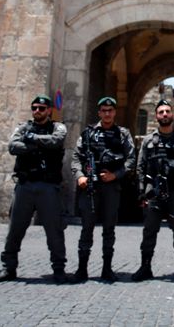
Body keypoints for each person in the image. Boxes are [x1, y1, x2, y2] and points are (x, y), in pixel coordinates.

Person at [0, 95, 68, 284]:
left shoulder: (58, 127)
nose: (37, 111)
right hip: (25, 186)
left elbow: (56, 141)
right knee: (15, 229)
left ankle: (59, 269)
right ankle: (8, 268)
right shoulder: (23, 127)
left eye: (42, 108)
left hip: (48, 186)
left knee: (54, 230)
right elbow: (13, 146)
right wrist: (37, 146)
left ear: (49, 110)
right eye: (34, 108)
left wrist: (33, 139)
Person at [131, 99, 174, 283]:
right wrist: (142, 192)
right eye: (161, 112)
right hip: (155, 194)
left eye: (168, 111)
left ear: (173, 114)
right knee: (149, 232)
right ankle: (145, 267)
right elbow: (141, 167)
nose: (165, 114)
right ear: (156, 116)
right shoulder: (148, 141)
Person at [71, 96, 135, 283]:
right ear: (99, 112)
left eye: (110, 110)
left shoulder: (123, 134)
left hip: (111, 187)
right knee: (87, 228)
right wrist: (80, 176)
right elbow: (76, 157)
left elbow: (131, 160)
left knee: (109, 229)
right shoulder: (88, 134)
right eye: (104, 110)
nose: (107, 113)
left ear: (114, 112)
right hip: (90, 187)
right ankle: (82, 269)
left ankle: (107, 269)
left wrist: (115, 175)